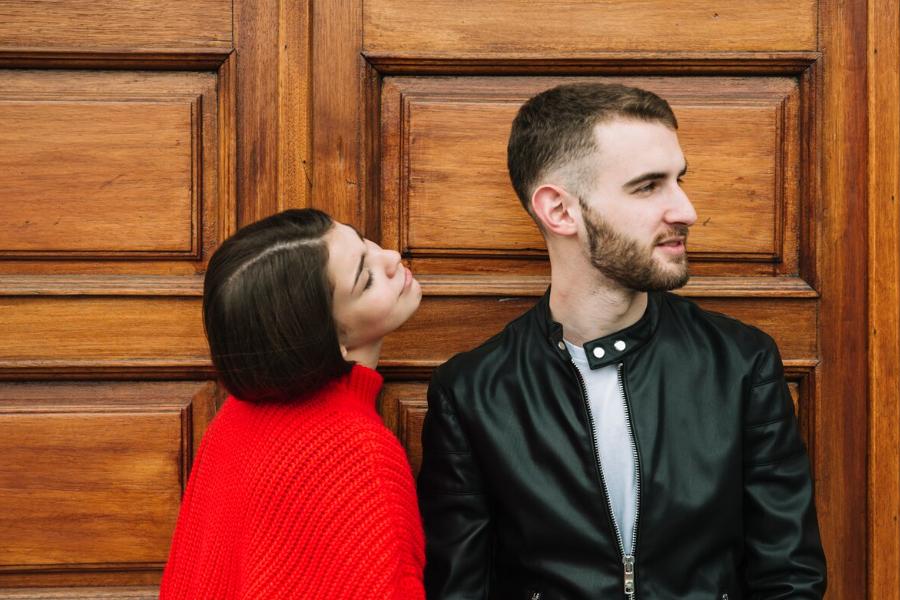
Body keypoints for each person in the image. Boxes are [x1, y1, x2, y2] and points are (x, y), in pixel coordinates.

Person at [418, 83, 826, 599]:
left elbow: (788, 577)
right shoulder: (473, 392)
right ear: (559, 211)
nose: (686, 210)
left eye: (678, 180)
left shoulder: (740, 362)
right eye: (648, 186)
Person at [160, 209, 425, 599]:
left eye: (362, 240)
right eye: (366, 279)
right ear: (329, 340)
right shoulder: (362, 459)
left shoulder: (237, 416)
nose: (390, 257)